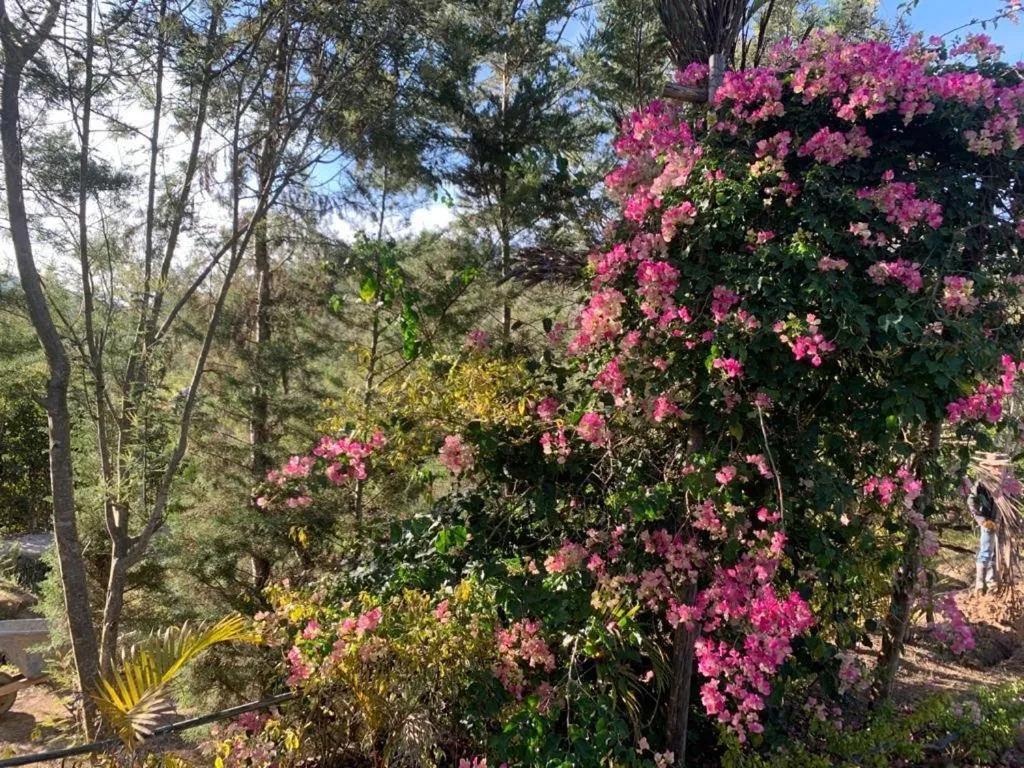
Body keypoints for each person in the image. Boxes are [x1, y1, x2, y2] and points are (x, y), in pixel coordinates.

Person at [968, 478, 998, 593]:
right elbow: (971, 501)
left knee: (995, 552)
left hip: (1001, 523)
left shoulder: (1006, 482)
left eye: (1000, 466)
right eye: (995, 466)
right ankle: (980, 584)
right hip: (988, 522)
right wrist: (981, 520)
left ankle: (991, 582)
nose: (998, 469)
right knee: (986, 552)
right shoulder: (982, 484)